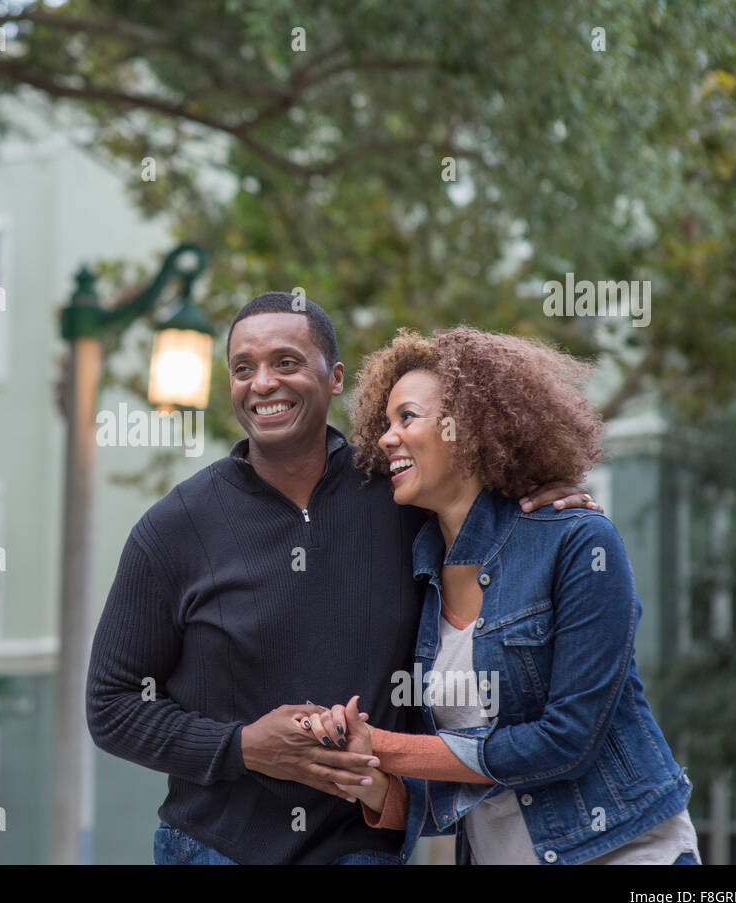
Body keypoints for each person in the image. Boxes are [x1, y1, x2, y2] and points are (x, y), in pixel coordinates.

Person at [85, 294, 597, 864]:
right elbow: (111, 705)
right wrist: (243, 747)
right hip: (212, 847)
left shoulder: (404, 497)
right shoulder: (174, 528)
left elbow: (484, 505)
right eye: (242, 368)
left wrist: (546, 493)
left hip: (361, 846)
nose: (262, 384)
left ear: (334, 378)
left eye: (286, 362)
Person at [294, 327, 700, 864]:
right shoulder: (418, 575)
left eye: (407, 418)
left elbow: (567, 741)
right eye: (384, 423)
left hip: (621, 849)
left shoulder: (576, 540)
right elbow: (457, 779)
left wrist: (386, 747)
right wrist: (361, 770)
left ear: (471, 428)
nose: (386, 438)